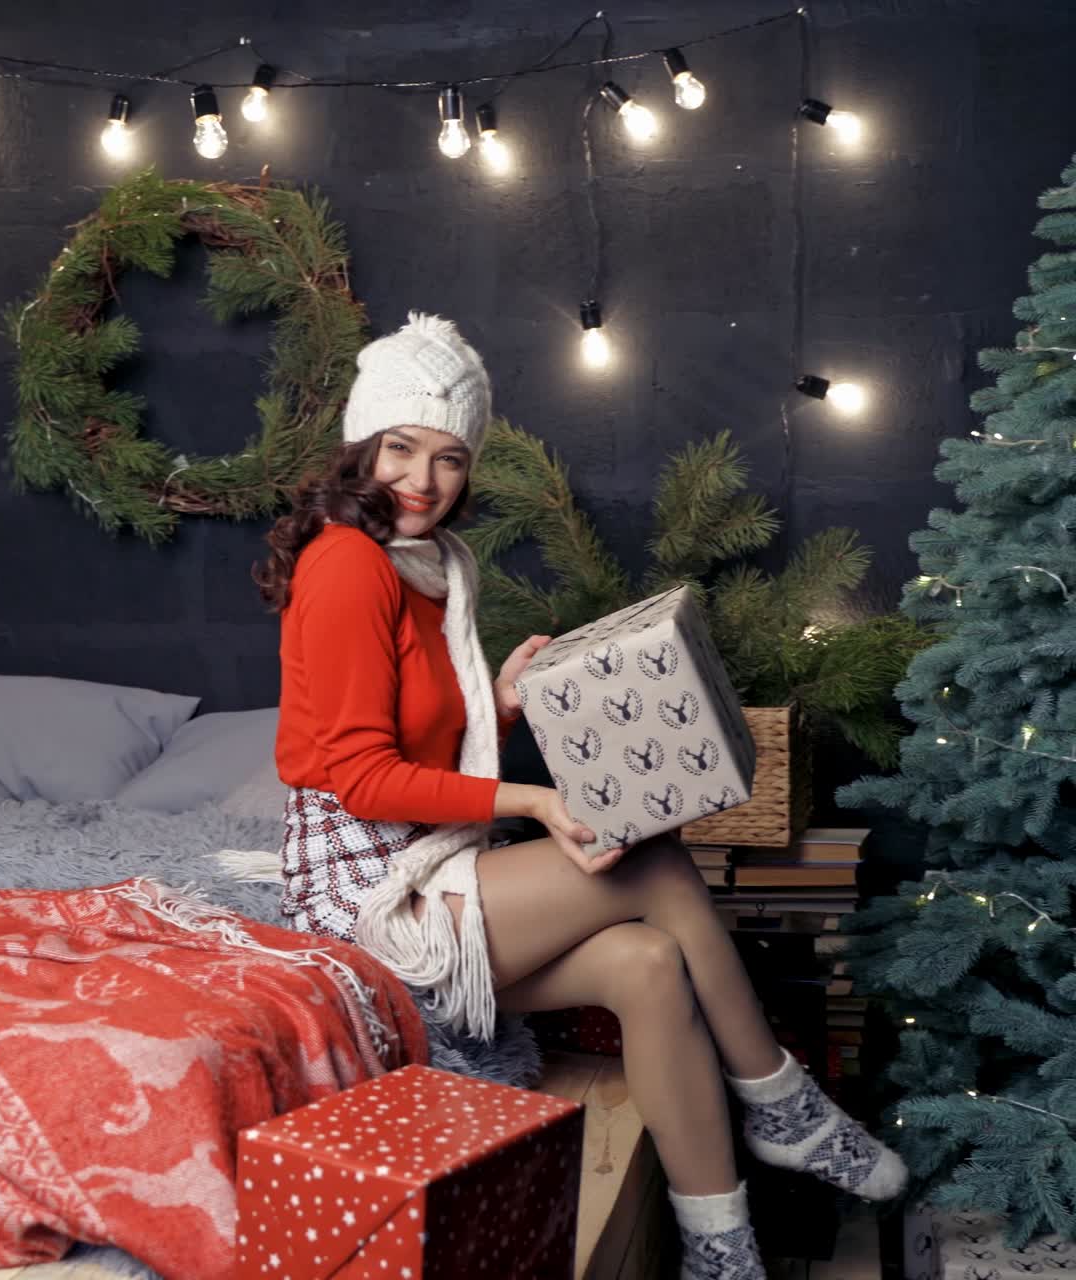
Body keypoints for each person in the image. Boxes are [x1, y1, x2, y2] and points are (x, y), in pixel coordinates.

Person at [253, 311, 905, 1280]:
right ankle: (778, 1099)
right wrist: (530, 799)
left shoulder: (428, 565)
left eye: (447, 459)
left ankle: (719, 1252)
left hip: (419, 859)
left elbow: (417, 744)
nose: (422, 483)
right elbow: (357, 774)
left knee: (644, 962)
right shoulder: (347, 561)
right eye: (399, 449)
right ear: (361, 443)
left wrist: (501, 705)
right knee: (646, 854)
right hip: (365, 893)